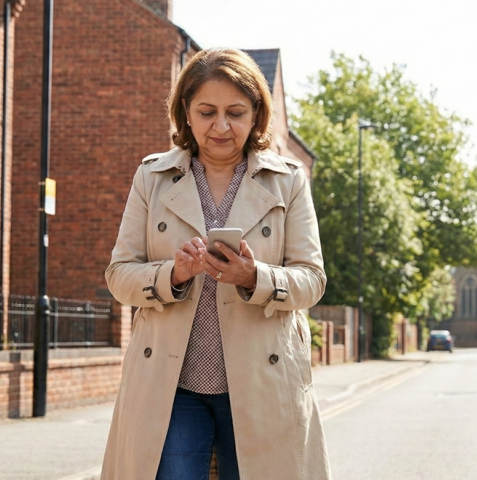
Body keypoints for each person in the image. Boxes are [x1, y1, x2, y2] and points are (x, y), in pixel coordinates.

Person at [100, 48, 330, 480]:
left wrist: (254, 277)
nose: (221, 126)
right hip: (172, 387)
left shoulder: (289, 180)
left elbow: (312, 280)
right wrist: (173, 274)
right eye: (207, 111)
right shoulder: (151, 177)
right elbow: (119, 274)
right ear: (185, 112)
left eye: (235, 112)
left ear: (256, 115)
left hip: (263, 382)